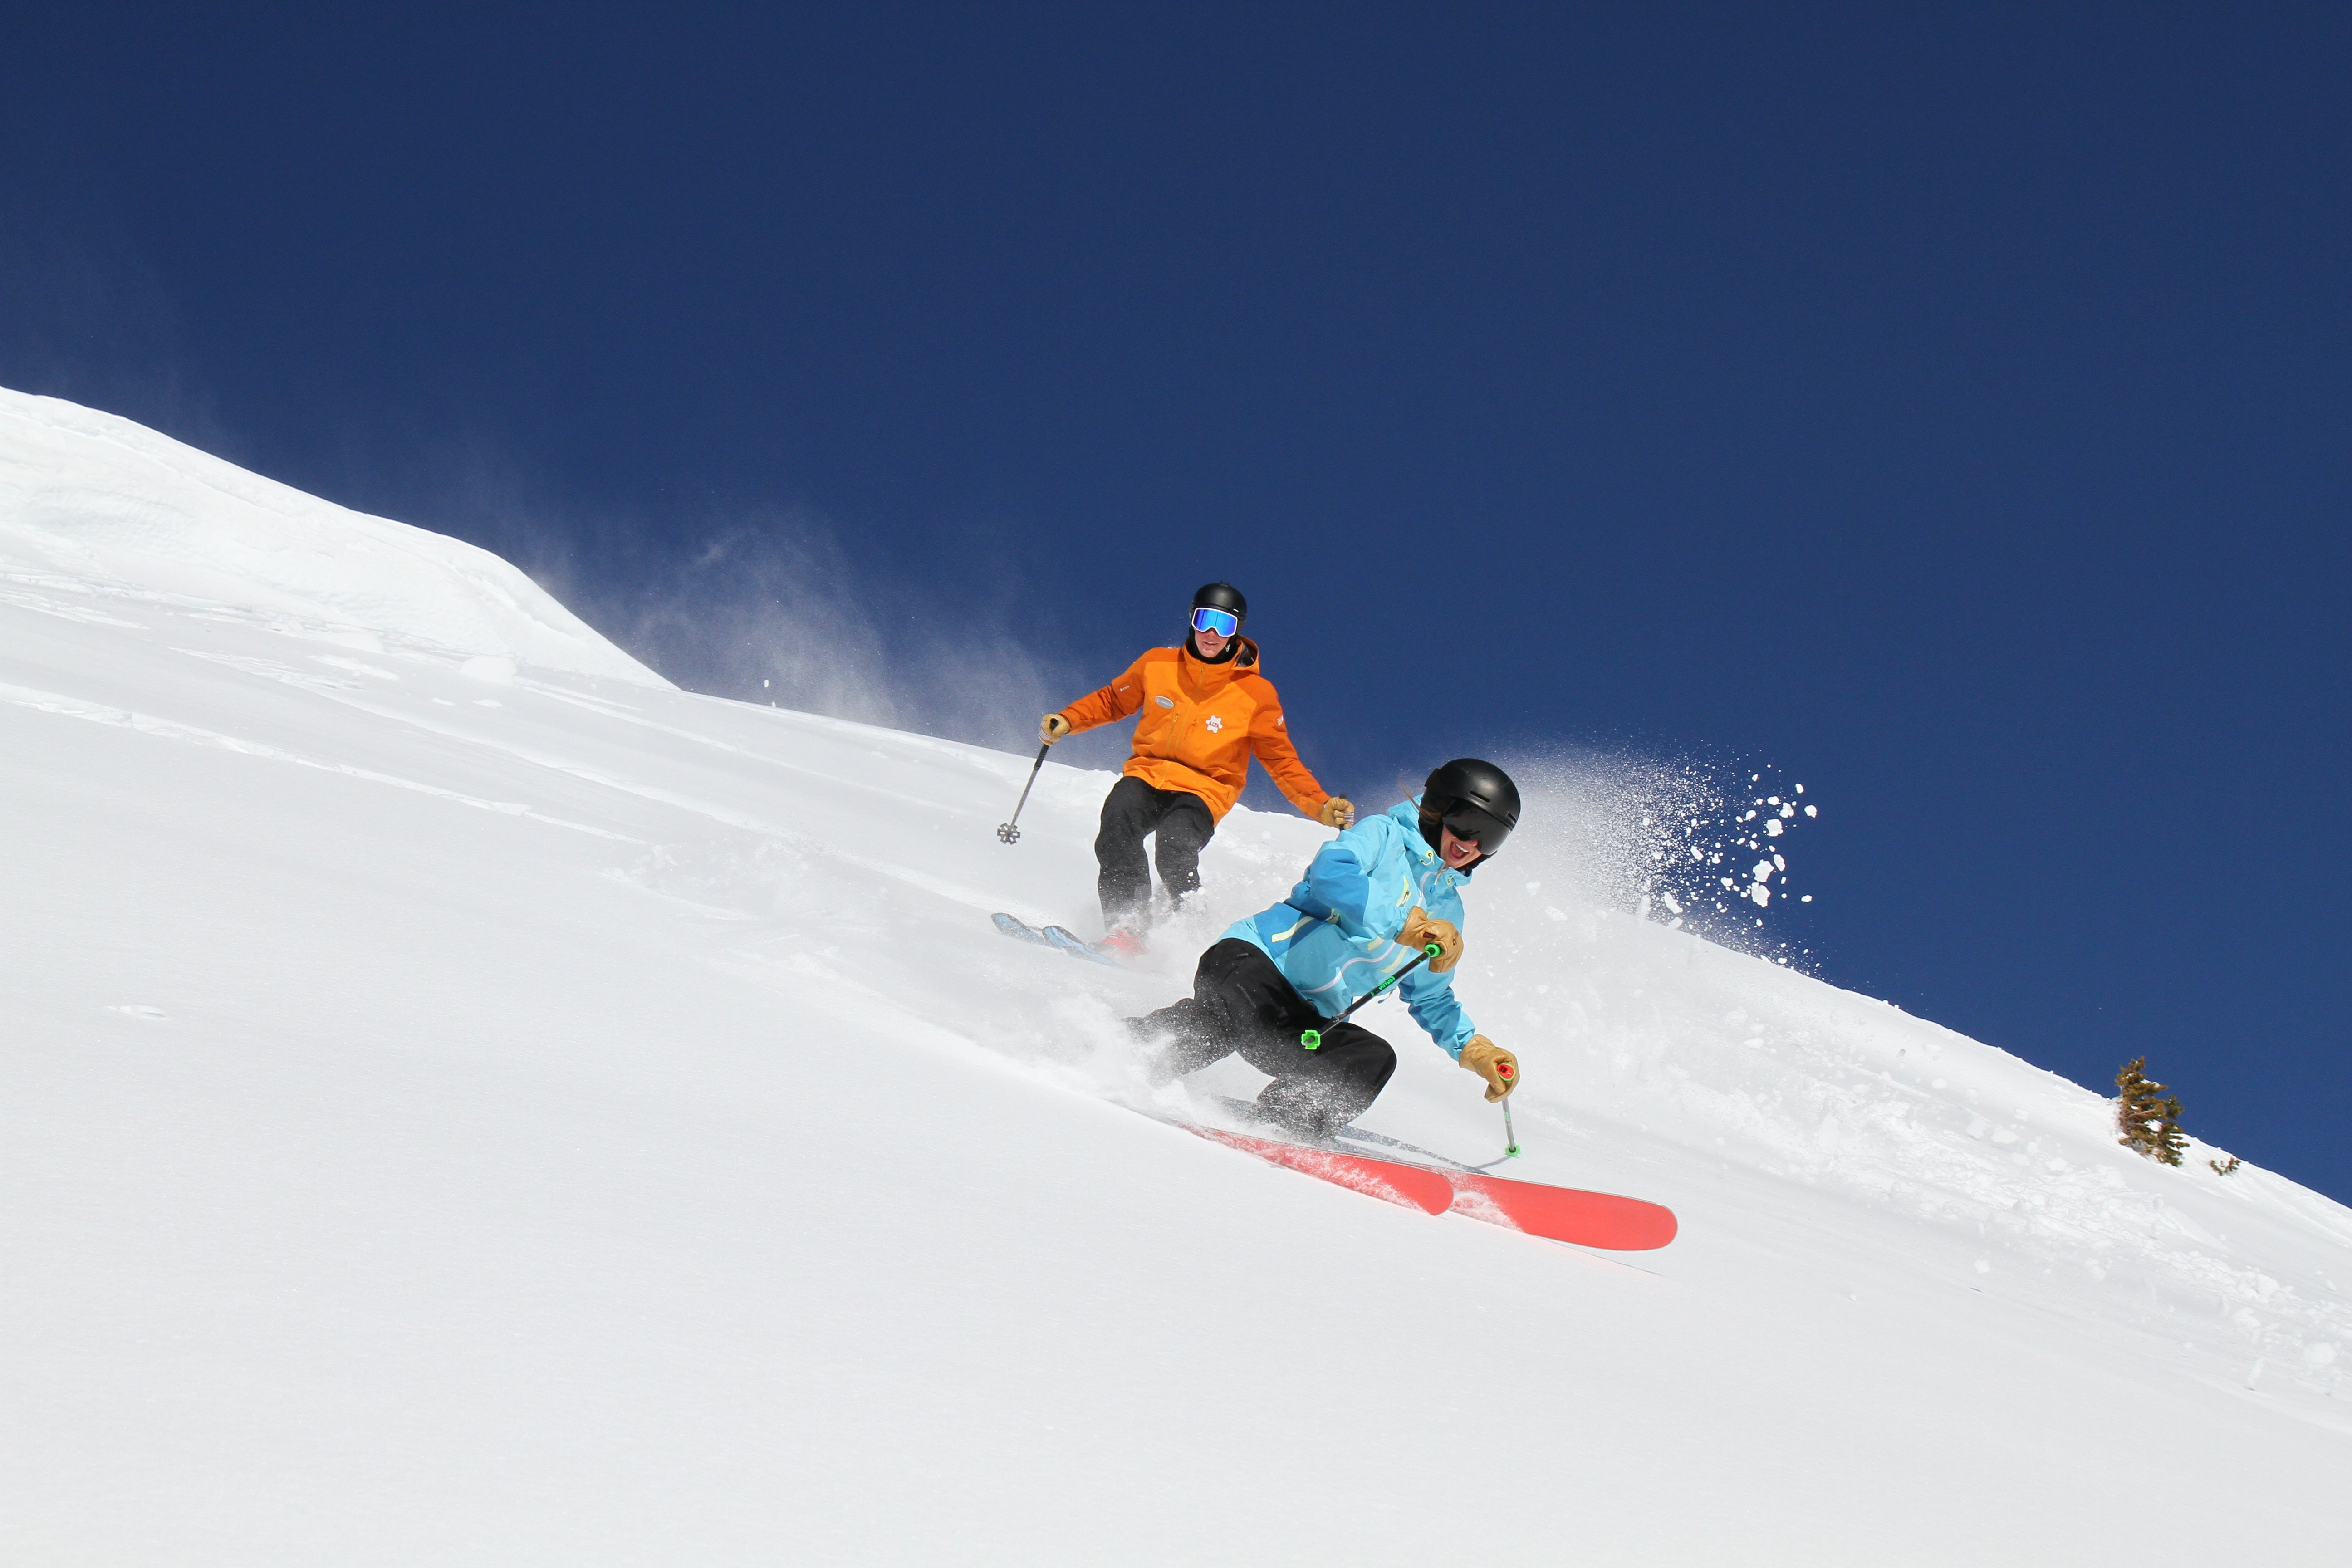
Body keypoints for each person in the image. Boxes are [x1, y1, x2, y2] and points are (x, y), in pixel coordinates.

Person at [1127, 759, 1524, 1140]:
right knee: (1228, 1019)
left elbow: (1431, 996)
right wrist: (1405, 922)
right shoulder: (1383, 836)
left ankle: (1283, 1124)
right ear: (1439, 807)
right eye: (1467, 823)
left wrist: (1475, 1049)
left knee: (1372, 1059)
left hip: (1302, 1020)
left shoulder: (1449, 912)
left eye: (1489, 837)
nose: (1471, 844)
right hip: (1257, 962)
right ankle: (1127, 1055)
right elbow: (1332, 872)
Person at [1040, 583, 1352, 950]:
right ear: (1192, 619)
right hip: (1148, 773)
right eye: (1205, 620)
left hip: (1205, 790)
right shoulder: (1157, 663)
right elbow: (1113, 701)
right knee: (1117, 822)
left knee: (1174, 845)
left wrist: (1319, 805)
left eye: (1225, 625)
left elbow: (1281, 761)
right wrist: (1069, 719)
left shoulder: (1256, 695)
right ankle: (1127, 927)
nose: (1213, 634)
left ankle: (1186, 934)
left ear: (1238, 632)